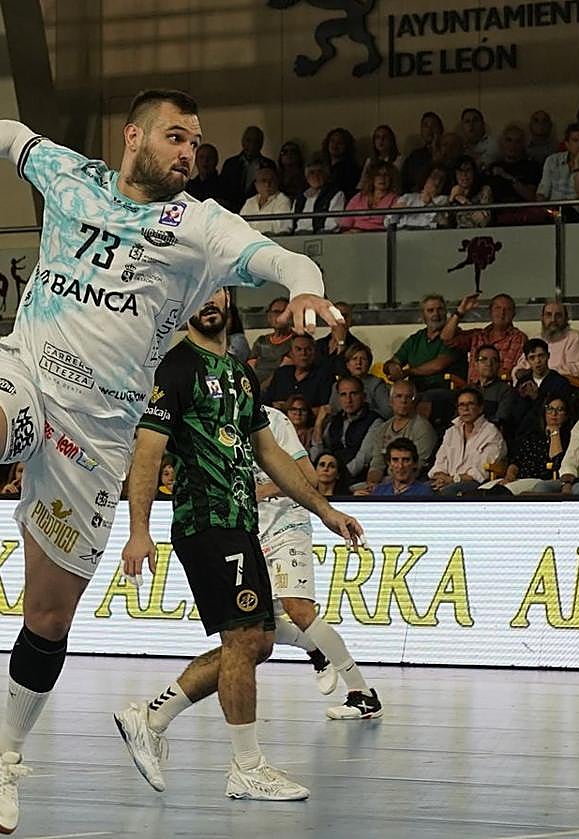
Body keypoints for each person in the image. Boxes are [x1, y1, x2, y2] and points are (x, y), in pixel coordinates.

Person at [0, 89, 344, 834]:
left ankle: (1, 753)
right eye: (175, 137)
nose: (188, 152)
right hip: (31, 372)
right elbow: (10, 134)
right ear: (133, 136)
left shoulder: (200, 225)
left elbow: (285, 256)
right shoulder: (73, 178)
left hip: (100, 437)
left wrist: (305, 288)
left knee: (47, 616)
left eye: (196, 143)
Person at [114, 288, 363, 800]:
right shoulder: (176, 369)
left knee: (258, 643)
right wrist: (138, 529)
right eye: (198, 291)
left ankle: (151, 718)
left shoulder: (241, 373)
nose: (209, 300)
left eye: (217, 290)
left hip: (242, 522)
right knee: (244, 640)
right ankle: (246, 766)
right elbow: (147, 454)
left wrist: (324, 509)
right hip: (205, 522)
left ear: (229, 299)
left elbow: (270, 455)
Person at [252, 404, 381, 714]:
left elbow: (308, 475)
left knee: (298, 607)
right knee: (258, 628)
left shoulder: (273, 420)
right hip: (250, 529)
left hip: (287, 522)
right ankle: (316, 649)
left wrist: (264, 489)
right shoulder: (214, 420)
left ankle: (362, 693)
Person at [383, 294, 457, 425]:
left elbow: (438, 365)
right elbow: (394, 361)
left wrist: (408, 372)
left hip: (444, 391)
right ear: (423, 316)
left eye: (439, 309)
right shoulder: (415, 339)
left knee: (425, 399)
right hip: (416, 391)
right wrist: (392, 367)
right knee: (391, 397)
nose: (436, 314)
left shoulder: (453, 336)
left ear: (446, 312)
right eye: (430, 310)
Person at [357, 380, 437, 490]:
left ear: (414, 402)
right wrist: (372, 483)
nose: (403, 401)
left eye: (408, 397)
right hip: (384, 482)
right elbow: (377, 463)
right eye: (398, 396)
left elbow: (418, 467)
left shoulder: (423, 428)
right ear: (390, 401)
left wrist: (383, 486)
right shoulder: (383, 428)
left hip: (410, 483)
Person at [484, 396, 570, 494]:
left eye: (560, 410)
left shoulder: (567, 437)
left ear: (566, 415)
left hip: (540, 480)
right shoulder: (532, 435)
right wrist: (509, 476)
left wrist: (555, 432)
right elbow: (516, 462)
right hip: (518, 479)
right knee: (483, 490)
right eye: (550, 409)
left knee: (502, 492)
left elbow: (556, 463)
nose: (554, 414)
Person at [429, 387, 506, 496]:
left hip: (475, 484)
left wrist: (452, 479)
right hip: (448, 480)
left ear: (480, 408)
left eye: (470, 404)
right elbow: (440, 461)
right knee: (421, 490)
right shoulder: (451, 432)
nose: (465, 408)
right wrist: (441, 477)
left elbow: (481, 472)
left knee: (446, 493)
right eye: (461, 405)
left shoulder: (491, 432)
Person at [443, 293, 527, 381]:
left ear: (514, 314)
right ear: (490, 311)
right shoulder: (477, 335)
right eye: (497, 308)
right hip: (472, 390)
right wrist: (460, 312)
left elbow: (507, 371)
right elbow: (446, 338)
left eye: (508, 309)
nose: (502, 312)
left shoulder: (517, 337)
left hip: (498, 389)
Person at [311, 375, 382, 479]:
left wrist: (338, 477)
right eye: (343, 395)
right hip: (330, 477)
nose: (348, 400)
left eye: (353, 394)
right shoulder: (336, 420)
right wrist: (318, 423)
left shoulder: (375, 421)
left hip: (354, 479)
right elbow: (316, 455)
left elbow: (362, 460)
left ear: (364, 396)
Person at [536, 124, 579, 222]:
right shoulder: (552, 160)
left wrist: (577, 165)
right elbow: (541, 195)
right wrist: (552, 213)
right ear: (567, 144)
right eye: (575, 141)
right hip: (553, 214)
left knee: (567, 211)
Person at [512, 300, 579, 381]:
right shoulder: (536, 338)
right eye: (548, 315)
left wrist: (543, 371)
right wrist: (518, 372)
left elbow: (576, 370)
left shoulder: (574, 337)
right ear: (542, 318)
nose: (553, 320)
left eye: (558, 315)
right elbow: (521, 366)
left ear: (566, 318)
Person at [262, 334, 334, 410]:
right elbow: (266, 402)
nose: (303, 353)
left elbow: (324, 408)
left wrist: (287, 407)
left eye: (308, 349)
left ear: (315, 353)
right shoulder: (281, 374)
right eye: (298, 349)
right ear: (291, 354)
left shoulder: (324, 376)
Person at [327, 343, 391, 419]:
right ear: (347, 364)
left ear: (369, 363)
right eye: (354, 359)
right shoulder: (337, 385)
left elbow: (388, 412)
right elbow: (332, 412)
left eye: (363, 359)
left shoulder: (377, 384)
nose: (358, 363)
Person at [221, 125, 275, 212]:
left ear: (261, 144)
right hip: (231, 212)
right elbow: (223, 189)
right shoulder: (230, 164)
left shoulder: (268, 165)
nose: (252, 144)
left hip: (256, 211)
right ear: (242, 142)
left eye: (256, 141)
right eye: (248, 140)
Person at [338, 161, 398, 232]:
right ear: (372, 178)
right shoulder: (359, 197)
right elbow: (345, 223)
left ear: (391, 179)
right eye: (378, 175)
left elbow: (391, 227)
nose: (382, 178)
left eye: (386, 175)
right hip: (354, 237)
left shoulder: (395, 199)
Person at [249, 297, 294, 390]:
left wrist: (261, 389)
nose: (280, 316)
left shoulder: (295, 340)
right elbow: (250, 366)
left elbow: (281, 372)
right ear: (269, 316)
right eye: (276, 312)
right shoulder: (261, 341)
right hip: (254, 386)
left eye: (284, 311)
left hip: (277, 388)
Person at [292, 158, 346, 234]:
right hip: (298, 236)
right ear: (306, 177)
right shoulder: (300, 197)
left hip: (322, 236)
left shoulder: (335, 194)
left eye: (320, 172)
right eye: (312, 173)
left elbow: (332, 224)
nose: (316, 176)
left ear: (326, 175)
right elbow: (291, 221)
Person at [389, 164, 450, 230]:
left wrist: (429, 204)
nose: (437, 182)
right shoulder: (408, 197)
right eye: (434, 177)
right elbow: (388, 223)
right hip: (403, 235)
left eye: (442, 180)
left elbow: (443, 224)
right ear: (425, 178)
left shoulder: (444, 200)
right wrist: (394, 212)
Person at [239, 165, 294, 235]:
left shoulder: (282, 200)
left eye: (271, 180)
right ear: (256, 185)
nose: (267, 184)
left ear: (277, 182)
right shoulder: (250, 201)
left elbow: (282, 228)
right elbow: (240, 225)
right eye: (263, 180)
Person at [369, 438, 433, 496]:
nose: (400, 466)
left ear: (415, 463)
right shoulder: (379, 491)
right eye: (395, 460)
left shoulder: (424, 493)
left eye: (406, 460)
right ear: (389, 464)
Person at [401, 111, 444, 195]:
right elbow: (406, 182)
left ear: (441, 129)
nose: (429, 130)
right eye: (426, 126)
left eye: (433, 126)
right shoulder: (415, 156)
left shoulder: (448, 152)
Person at [185, 143, 232, 209]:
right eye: (201, 157)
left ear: (216, 161)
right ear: (195, 161)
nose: (205, 161)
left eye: (210, 157)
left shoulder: (225, 185)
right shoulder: (189, 186)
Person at [358, 124, 402, 191]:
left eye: (385, 137)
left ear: (391, 140)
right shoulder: (369, 160)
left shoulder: (398, 160)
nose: (381, 140)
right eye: (378, 137)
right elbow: (362, 183)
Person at [321, 128, 361, 201]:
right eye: (332, 141)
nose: (335, 145)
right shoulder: (322, 165)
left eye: (340, 143)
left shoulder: (351, 169)